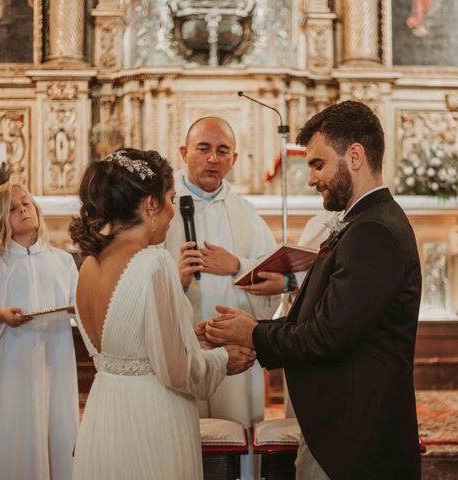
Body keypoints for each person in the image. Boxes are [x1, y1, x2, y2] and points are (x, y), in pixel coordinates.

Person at [203, 101, 423, 479]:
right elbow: (326, 319)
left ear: (354, 156)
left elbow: (326, 336)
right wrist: (253, 328)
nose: (310, 179)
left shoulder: (373, 231)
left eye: (318, 164)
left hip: (354, 438)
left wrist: (254, 334)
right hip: (343, 429)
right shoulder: (364, 223)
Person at [68, 148, 255, 480]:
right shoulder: (153, 263)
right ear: (150, 205)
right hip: (150, 417)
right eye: (170, 199)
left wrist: (188, 339)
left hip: (105, 412)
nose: (173, 212)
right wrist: (224, 359)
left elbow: (128, 344)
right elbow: (177, 370)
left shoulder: (88, 265)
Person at [164, 117, 282, 479]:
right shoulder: (161, 211)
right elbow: (138, 279)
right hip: (182, 351)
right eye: (203, 148)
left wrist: (236, 265)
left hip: (235, 354)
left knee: (236, 441)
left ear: (233, 159)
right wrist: (178, 281)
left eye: (222, 150)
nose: (213, 159)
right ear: (184, 153)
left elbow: (274, 280)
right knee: (182, 440)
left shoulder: (246, 213)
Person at [0, 182, 79, 480]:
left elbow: (79, 304)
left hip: (53, 358)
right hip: (9, 366)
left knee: (55, 424)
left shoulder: (62, 261)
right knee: (12, 430)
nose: (23, 210)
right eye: (13, 209)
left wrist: (75, 310)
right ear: (1, 220)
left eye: (25, 204)